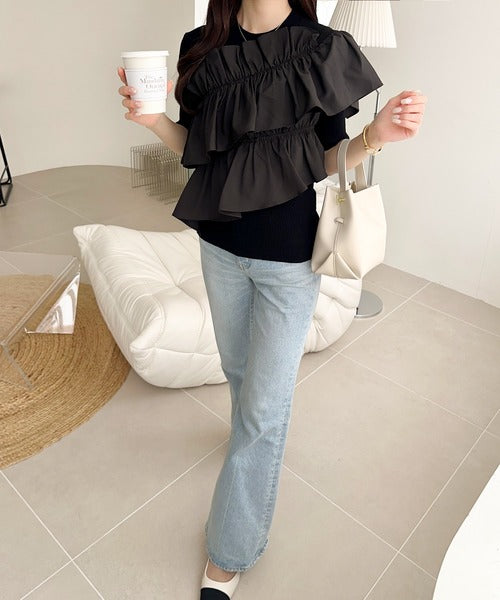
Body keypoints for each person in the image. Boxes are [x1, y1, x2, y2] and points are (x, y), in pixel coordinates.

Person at [118, 1, 427, 597]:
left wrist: (375, 137)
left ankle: (229, 553)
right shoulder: (202, 45)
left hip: (288, 261)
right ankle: (243, 451)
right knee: (238, 370)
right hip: (218, 248)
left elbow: (324, 162)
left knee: (263, 413)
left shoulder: (320, 48)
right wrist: (151, 120)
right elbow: (196, 147)